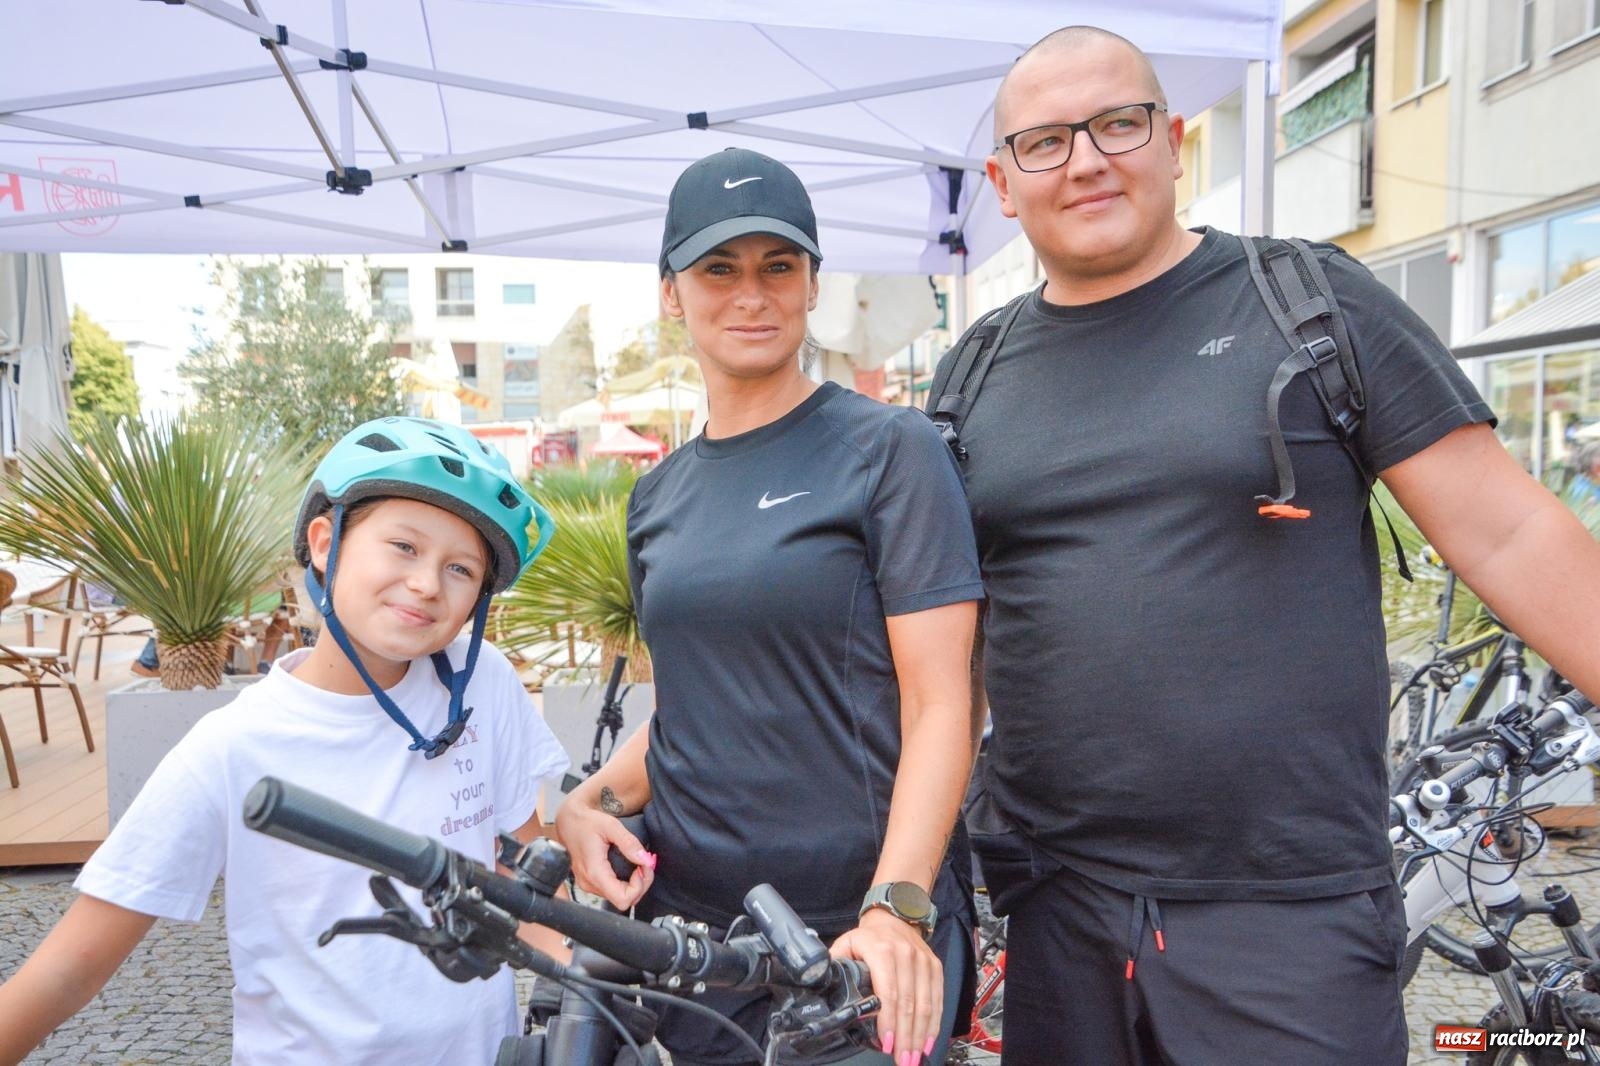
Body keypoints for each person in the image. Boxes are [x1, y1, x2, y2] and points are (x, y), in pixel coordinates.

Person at [943, 25, 1600, 1066]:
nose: (1086, 159)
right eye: (1045, 141)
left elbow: (1509, 526)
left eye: (1118, 122)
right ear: (1002, 181)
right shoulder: (972, 374)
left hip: (1283, 910)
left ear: (1172, 141)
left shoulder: (1307, 305)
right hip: (1055, 905)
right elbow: (948, 644)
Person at [556, 148, 984, 1066]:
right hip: (697, 944)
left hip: (854, 945)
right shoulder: (657, 496)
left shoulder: (890, 450)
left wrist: (897, 908)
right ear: (671, 291)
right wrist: (584, 806)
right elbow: (692, 704)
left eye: (777, 267)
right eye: (719, 269)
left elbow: (946, 700)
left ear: (811, 284)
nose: (750, 294)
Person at [0, 417, 570, 1066]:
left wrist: (591, 981)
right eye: (404, 547)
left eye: (461, 568)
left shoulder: (483, 683)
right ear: (325, 542)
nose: (426, 584)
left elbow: (520, 878)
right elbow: (68, 971)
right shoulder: (234, 747)